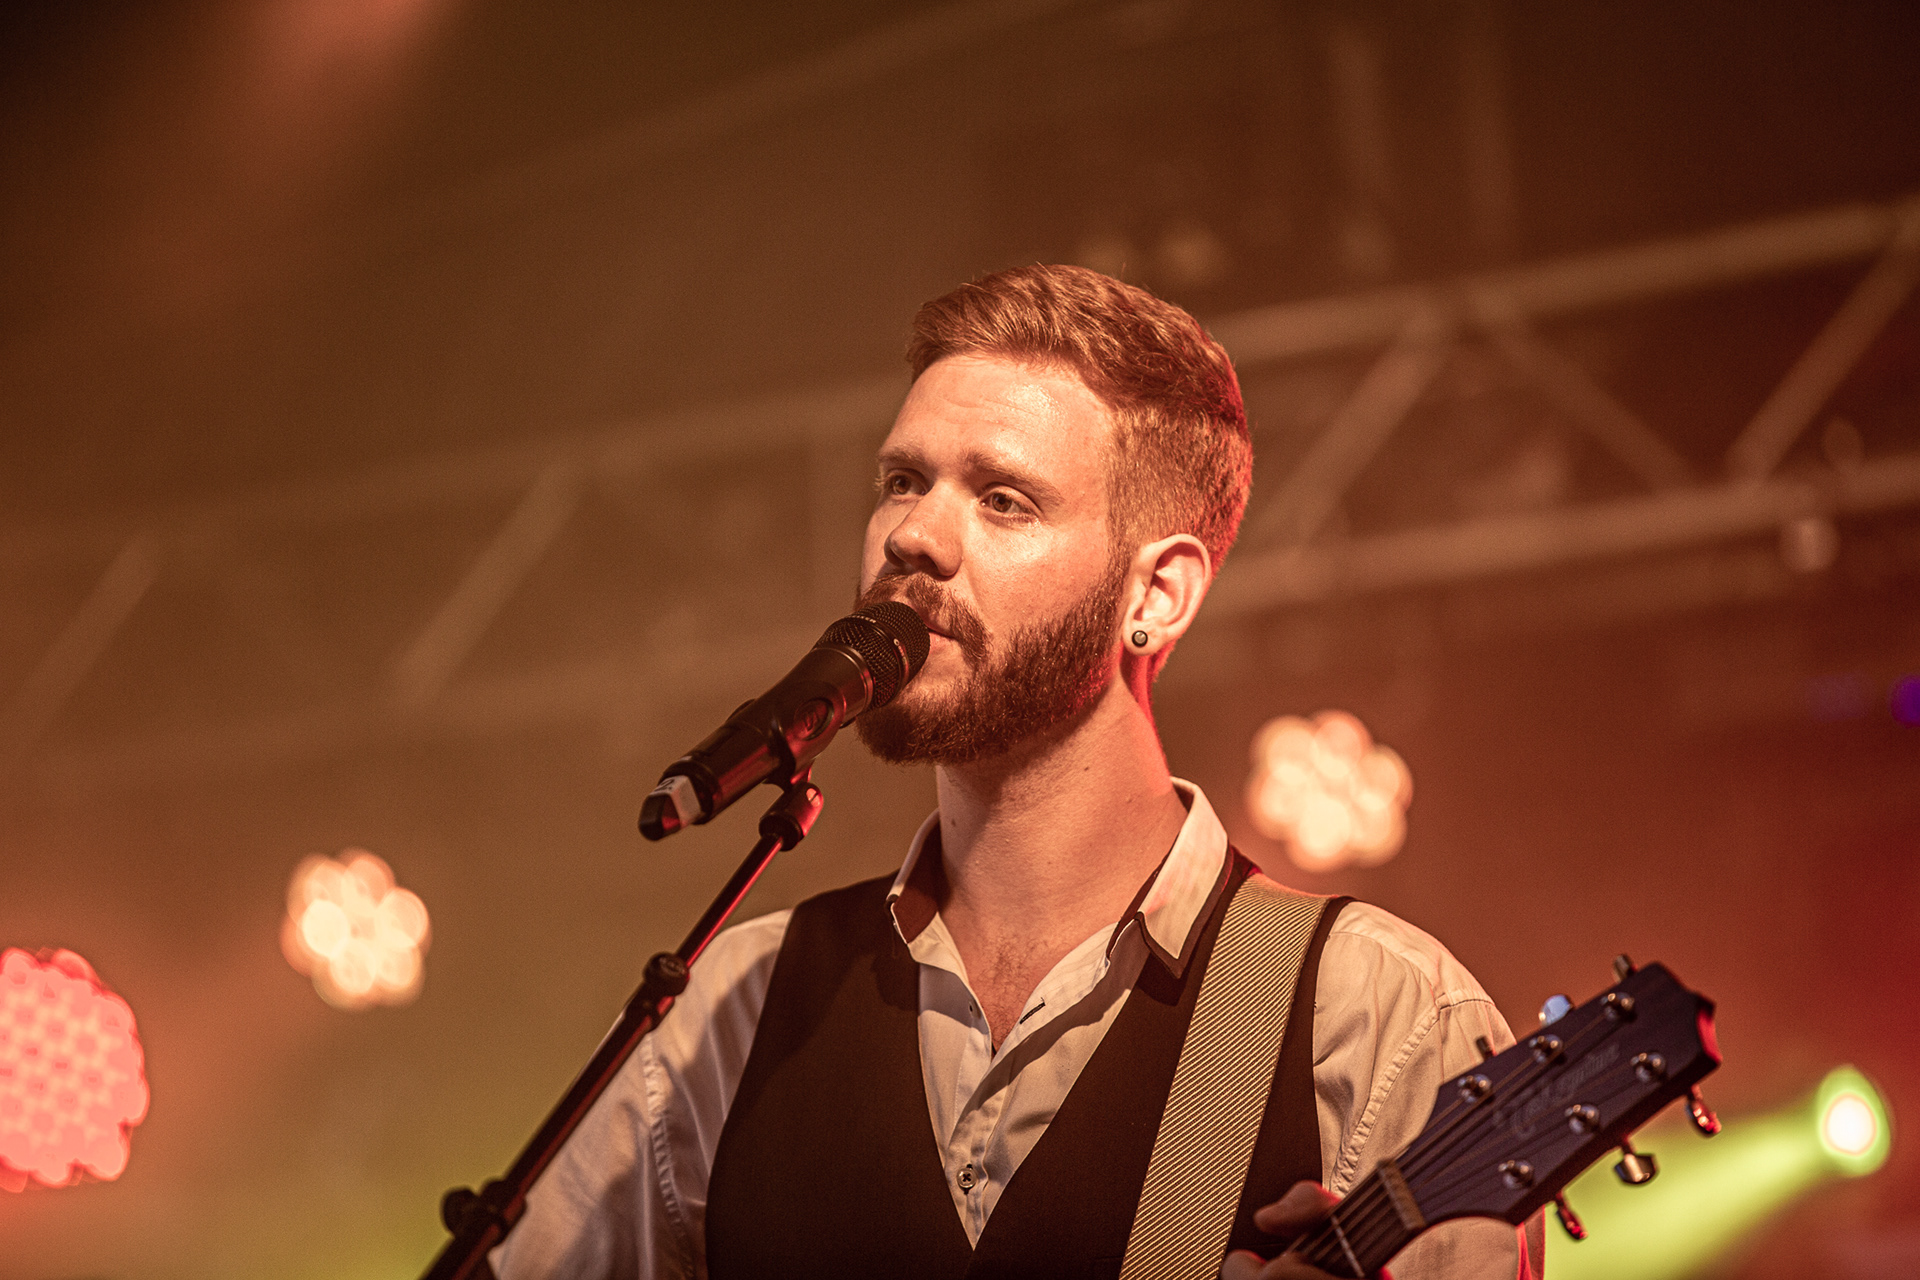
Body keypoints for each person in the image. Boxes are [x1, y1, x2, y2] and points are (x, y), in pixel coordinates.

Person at [492, 265, 1545, 1280]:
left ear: (1157, 595)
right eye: (902, 481)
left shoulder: (1380, 1011)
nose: (912, 535)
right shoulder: (735, 1002)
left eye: (1003, 499)